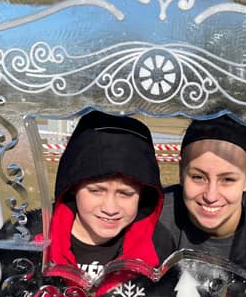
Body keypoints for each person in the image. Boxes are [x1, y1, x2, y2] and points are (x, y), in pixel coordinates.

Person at [44, 110, 173, 277]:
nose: (110, 208)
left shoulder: (159, 246)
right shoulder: (31, 240)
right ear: (73, 186)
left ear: (143, 194)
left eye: (125, 193)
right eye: (96, 191)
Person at [158, 114, 246, 272]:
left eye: (227, 179)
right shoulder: (153, 218)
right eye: (198, 177)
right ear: (181, 172)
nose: (211, 196)